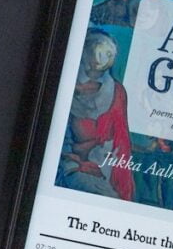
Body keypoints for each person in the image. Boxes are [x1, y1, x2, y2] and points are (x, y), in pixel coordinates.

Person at [58, 29, 135, 200]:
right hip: (67, 164)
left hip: (103, 164)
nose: (104, 57)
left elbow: (119, 140)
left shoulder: (115, 91)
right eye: (99, 49)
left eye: (109, 53)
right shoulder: (63, 80)